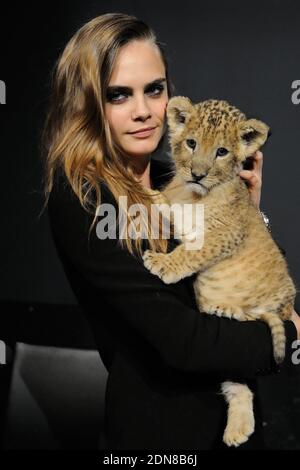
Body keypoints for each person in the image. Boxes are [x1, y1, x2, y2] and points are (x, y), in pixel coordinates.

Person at [43, 13, 300, 450]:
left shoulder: (178, 175)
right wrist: (291, 333)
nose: (143, 111)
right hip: (164, 435)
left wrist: (250, 213)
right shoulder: (84, 200)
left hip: (239, 420)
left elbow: (249, 278)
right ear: (88, 103)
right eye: (118, 95)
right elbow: (185, 342)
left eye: (155, 89)